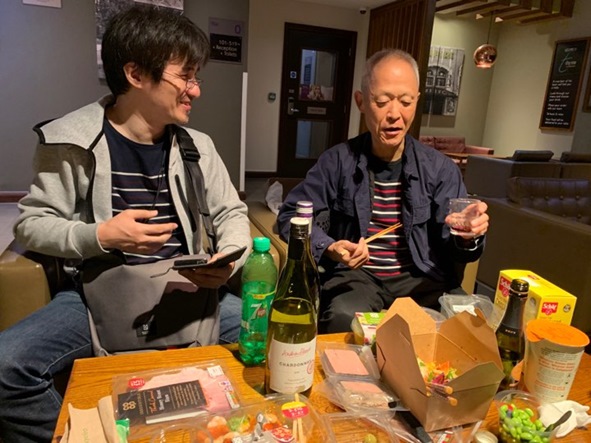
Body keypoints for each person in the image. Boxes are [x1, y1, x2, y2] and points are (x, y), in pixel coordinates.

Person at [0, 5, 250, 441]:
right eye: (185, 76)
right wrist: (101, 235)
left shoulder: (198, 147)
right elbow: (32, 225)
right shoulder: (71, 141)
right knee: (7, 366)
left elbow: (232, 212)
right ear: (135, 74)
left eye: (197, 77)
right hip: (98, 294)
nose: (195, 90)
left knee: (278, 337)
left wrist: (229, 259)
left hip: (189, 291)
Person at [277, 49, 489, 334]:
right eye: (382, 101)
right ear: (361, 102)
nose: (395, 114)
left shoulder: (440, 169)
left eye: (406, 102)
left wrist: (467, 235)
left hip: (424, 277)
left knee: (468, 327)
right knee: (343, 319)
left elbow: (459, 251)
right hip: (358, 277)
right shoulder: (337, 162)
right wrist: (329, 247)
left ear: (416, 102)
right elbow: (290, 215)